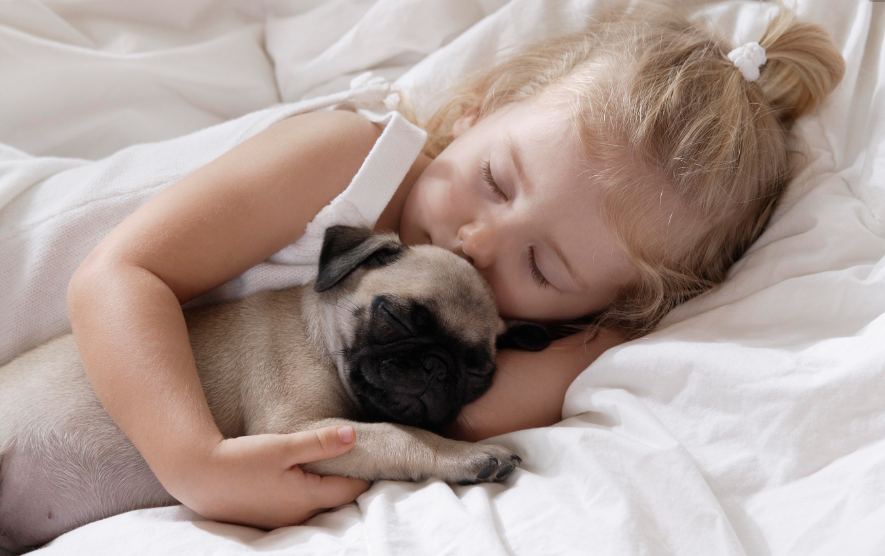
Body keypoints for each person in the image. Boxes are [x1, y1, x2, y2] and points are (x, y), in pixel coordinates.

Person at [64, 5, 844, 531]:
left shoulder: (475, 326)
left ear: (593, 308)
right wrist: (191, 463)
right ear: (476, 111)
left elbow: (470, 422)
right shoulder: (348, 161)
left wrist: (603, 339)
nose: (476, 240)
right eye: (496, 180)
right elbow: (119, 276)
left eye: (541, 264)